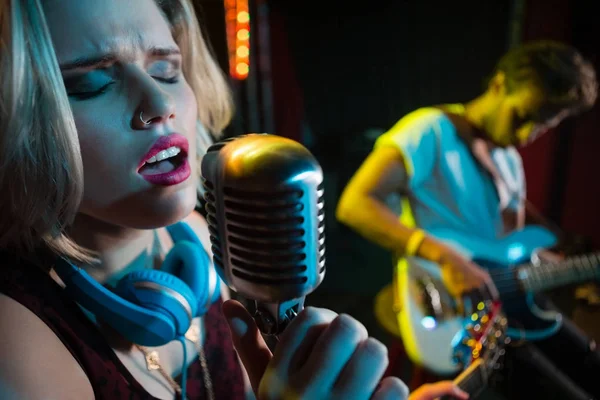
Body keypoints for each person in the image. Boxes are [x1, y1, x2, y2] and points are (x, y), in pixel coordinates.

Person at [0, 1, 467, 399]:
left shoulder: (198, 243)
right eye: (91, 84)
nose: (159, 103)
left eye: (166, 69)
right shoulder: (16, 345)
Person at [336, 40, 600, 399]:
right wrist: (448, 259)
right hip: (445, 306)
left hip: (502, 313)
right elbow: (354, 204)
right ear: (498, 85)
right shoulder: (430, 129)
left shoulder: (509, 162)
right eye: (522, 116)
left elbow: (508, 248)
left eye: (540, 127)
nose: (524, 136)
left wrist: (572, 271)